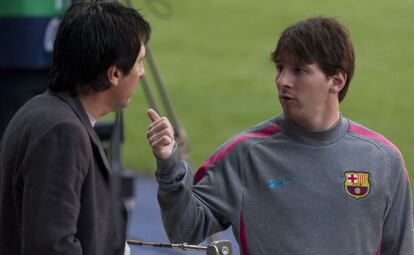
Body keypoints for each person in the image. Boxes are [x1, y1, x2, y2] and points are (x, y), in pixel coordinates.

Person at [146, 16, 413, 254]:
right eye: (280, 68)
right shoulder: (246, 154)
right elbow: (184, 228)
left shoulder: (383, 160)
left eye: (299, 70)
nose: (283, 80)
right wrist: (169, 164)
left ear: (337, 80)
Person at [0, 1, 150, 255]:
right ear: (114, 74)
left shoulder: (45, 110)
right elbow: (51, 246)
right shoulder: (61, 132)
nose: (142, 73)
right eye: (138, 62)